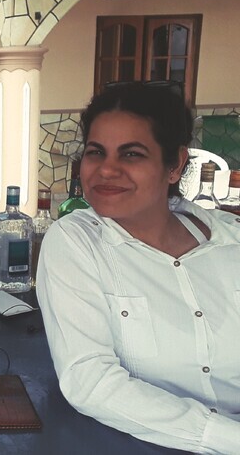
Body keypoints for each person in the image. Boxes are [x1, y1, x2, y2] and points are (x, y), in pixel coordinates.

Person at [37, 82, 240, 453]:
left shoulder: (231, 243)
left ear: (174, 165)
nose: (107, 170)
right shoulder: (77, 241)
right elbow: (90, 381)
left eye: (131, 154)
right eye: (96, 152)